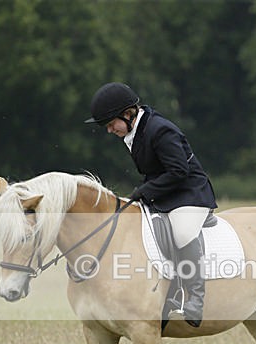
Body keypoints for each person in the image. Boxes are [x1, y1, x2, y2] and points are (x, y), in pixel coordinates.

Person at [85, 82, 217, 328]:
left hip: (189, 193)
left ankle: (195, 298)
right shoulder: (135, 132)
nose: (109, 130)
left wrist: (144, 191)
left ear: (127, 114)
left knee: (182, 232)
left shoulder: (160, 130)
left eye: (111, 124)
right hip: (166, 195)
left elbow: (179, 171)